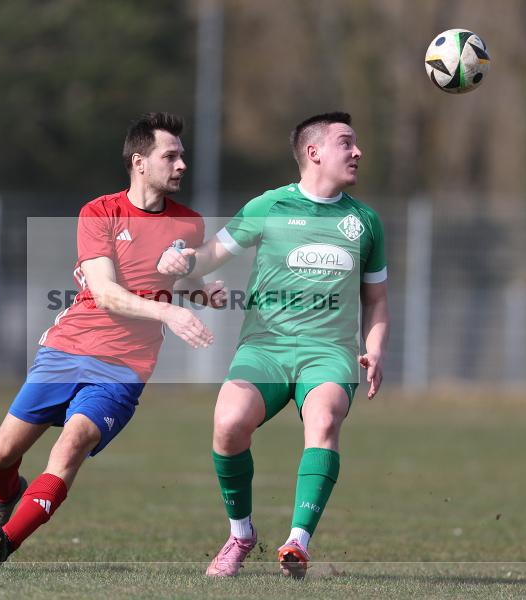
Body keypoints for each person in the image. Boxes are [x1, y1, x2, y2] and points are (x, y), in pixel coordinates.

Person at [0, 112, 226, 569]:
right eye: (170, 156)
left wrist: (199, 288)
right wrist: (169, 309)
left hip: (123, 368)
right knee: (0, 454)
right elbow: (108, 293)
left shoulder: (189, 225)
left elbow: (169, 278)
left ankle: (1, 545)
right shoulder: (100, 212)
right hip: (68, 348)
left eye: (182, 156)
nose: (182, 165)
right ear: (139, 162)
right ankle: (4, 498)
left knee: (71, 444)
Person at [157, 112, 389, 578]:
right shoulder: (270, 205)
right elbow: (212, 254)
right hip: (265, 347)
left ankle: (297, 543)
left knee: (323, 418)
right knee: (227, 424)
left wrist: (376, 346)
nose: (358, 152)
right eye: (347, 143)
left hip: (329, 352)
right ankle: (241, 533)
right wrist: (181, 260)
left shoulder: (364, 222)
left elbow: (377, 299)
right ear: (314, 152)